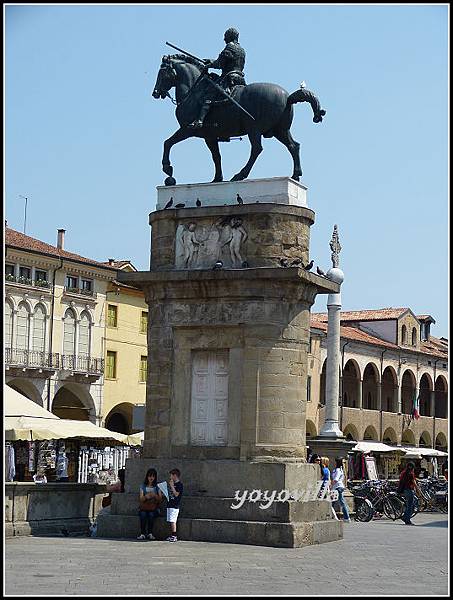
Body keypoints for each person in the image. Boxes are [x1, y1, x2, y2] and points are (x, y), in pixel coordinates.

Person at [188, 27, 246, 129]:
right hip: (240, 78)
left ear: (229, 36)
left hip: (228, 77)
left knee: (208, 94)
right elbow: (225, 61)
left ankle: (200, 120)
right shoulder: (241, 50)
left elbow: (220, 63)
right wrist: (210, 61)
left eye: (225, 36)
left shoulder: (229, 47)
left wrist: (209, 65)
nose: (224, 39)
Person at [138, 468, 163, 541]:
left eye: (153, 476)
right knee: (143, 514)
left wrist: (155, 495)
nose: (151, 478)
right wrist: (146, 496)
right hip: (144, 507)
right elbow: (141, 499)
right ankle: (142, 533)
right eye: (149, 476)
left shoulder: (157, 486)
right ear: (147, 477)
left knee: (151, 515)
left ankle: (150, 533)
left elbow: (160, 500)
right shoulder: (143, 486)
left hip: (154, 508)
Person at [166, 468, 183, 542]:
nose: (170, 477)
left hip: (175, 505)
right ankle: (172, 535)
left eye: (171, 475)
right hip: (170, 504)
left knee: (173, 521)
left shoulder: (179, 485)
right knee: (171, 520)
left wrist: (172, 486)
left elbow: (176, 494)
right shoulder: (172, 484)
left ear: (175, 475)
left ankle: (174, 535)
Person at [331, 457, 350, 522]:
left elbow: (336, 479)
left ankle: (346, 517)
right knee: (333, 502)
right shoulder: (339, 470)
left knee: (341, 502)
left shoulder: (338, 470)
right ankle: (332, 516)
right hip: (338, 487)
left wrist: (331, 485)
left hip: (337, 487)